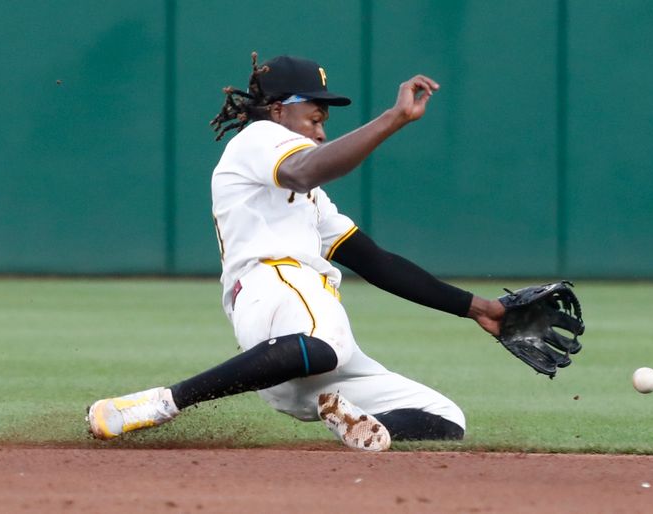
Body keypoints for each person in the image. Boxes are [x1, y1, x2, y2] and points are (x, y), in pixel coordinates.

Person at [87, 53, 505, 451]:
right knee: (328, 340)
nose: (321, 131)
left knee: (443, 417)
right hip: (276, 291)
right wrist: (393, 119)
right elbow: (304, 170)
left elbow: (375, 262)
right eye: (315, 118)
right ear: (276, 110)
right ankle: (159, 404)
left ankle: (355, 423)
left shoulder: (311, 200)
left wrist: (480, 308)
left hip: (287, 353)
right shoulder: (259, 138)